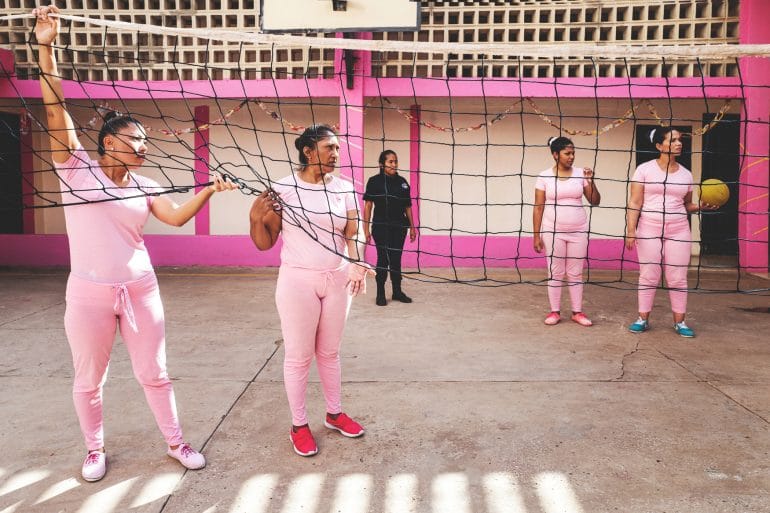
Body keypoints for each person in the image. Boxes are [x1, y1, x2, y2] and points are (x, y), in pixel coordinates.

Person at [33, 5, 238, 482]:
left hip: (141, 289)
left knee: (156, 373)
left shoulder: (144, 185)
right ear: (107, 143)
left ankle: (175, 442)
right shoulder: (74, 167)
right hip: (87, 292)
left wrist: (206, 190)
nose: (143, 145)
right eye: (134, 138)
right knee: (90, 380)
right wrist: (46, 46)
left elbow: (175, 215)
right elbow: (54, 108)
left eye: (145, 139)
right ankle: (94, 450)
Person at [248, 124, 372, 457]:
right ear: (308, 151)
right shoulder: (283, 189)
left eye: (337, 148)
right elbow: (264, 243)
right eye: (329, 147)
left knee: (330, 353)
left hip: (337, 279)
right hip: (297, 281)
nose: (336, 153)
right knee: (299, 357)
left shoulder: (345, 188)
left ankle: (334, 414)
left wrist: (357, 263)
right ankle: (299, 425)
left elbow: (355, 232)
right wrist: (255, 217)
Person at [625, 127, 718, 338]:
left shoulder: (686, 174)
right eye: (673, 140)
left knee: (677, 277)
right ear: (659, 146)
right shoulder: (644, 170)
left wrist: (700, 207)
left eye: (680, 140)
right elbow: (635, 202)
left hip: (679, 229)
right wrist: (631, 230)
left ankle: (680, 322)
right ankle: (643, 319)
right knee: (649, 275)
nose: (679, 143)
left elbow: (685, 205)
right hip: (649, 227)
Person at [533, 136, 601, 327]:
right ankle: (554, 312)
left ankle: (577, 312)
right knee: (555, 271)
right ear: (556, 154)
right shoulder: (544, 176)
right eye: (567, 153)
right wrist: (536, 236)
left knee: (576, 272)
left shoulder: (581, 174)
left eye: (573, 153)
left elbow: (595, 201)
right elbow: (538, 207)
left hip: (578, 231)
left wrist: (591, 181)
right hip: (552, 232)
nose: (571, 157)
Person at [362, 150, 417, 306]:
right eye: (390, 161)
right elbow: (368, 206)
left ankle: (397, 291)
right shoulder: (374, 181)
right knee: (383, 259)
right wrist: (365, 230)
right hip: (380, 226)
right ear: (382, 164)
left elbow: (408, 206)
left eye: (395, 161)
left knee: (395, 259)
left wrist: (412, 227)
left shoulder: (403, 182)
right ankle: (380, 293)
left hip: (399, 227)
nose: (394, 164)